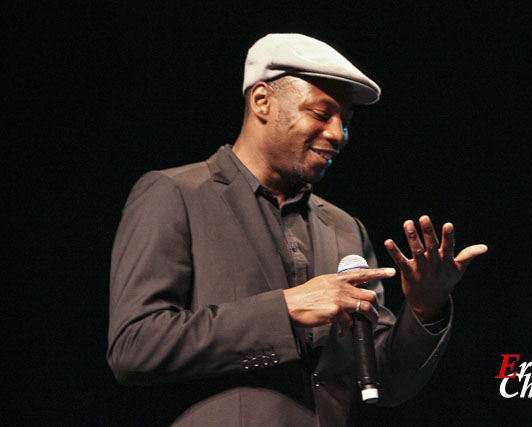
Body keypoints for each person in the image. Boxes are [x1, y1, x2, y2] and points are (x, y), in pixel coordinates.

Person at [108, 33, 487, 426]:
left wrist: (425, 309)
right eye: (322, 114)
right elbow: (135, 346)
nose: (338, 134)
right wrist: (286, 310)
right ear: (262, 101)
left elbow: (384, 381)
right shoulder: (176, 194)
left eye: (346, 122)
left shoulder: (344, 228)